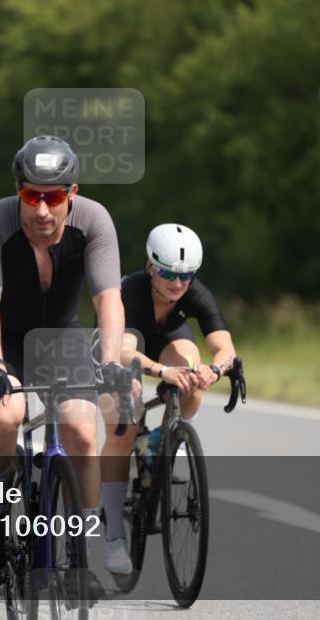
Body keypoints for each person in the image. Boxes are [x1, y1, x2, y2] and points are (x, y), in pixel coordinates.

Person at [0, 135, 127, 598]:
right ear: (18, 190)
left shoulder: (94, 221)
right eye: (31, 195)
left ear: (71, 193)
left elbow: (108, 301)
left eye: (53, 197)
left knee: (81, 429)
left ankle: (81, 556)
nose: (41, 210)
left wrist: (111, 363)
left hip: (61, 335)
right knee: (9, 416)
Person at [99, 223, 238, 575]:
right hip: (120, 352)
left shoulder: (196, 293)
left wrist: (214, 370)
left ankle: (167, 437)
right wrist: (162, 373)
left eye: (186, 276)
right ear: (150, 267)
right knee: (123, 423)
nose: (177, 284)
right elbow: (123, 351)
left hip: (164, 345)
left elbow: (225, 348)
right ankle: (114, 534)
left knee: (191, 365)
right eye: (166, 273)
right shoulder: (129, 291)